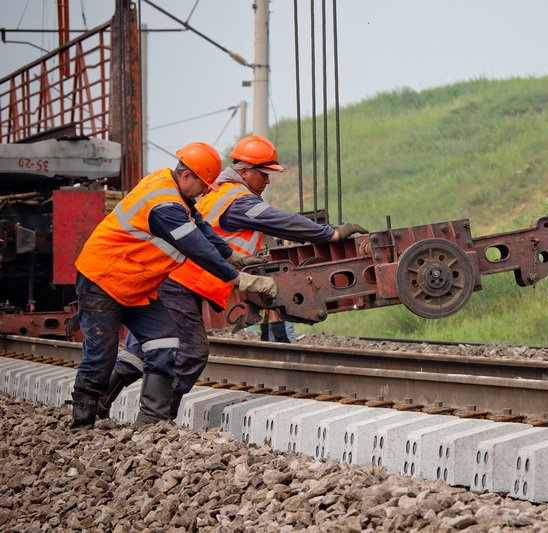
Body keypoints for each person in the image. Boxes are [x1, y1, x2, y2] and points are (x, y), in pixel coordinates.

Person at [97, 135, 368, 420]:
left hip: (170, 278)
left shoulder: (217, 194)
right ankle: (157, 419)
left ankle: (99, 403)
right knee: (191, 351)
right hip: (181, 282)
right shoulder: (237, 201)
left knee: (143, 348)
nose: (268, 181)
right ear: (244, 172)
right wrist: (330, 234)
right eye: (264, 174)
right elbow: (280, 221)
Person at [70, 142, 277, 431]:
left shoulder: (172, 189)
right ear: (187, 176)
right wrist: (237, 277)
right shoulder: (165, 206)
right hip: (103, 281)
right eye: (204, 185)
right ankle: (82, 423)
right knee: (100, 354)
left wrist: (230, 254)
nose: (207, 191)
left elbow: (201, 227)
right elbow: (195, 246)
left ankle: (151, 423)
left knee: (165, 341)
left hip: (137, 285)